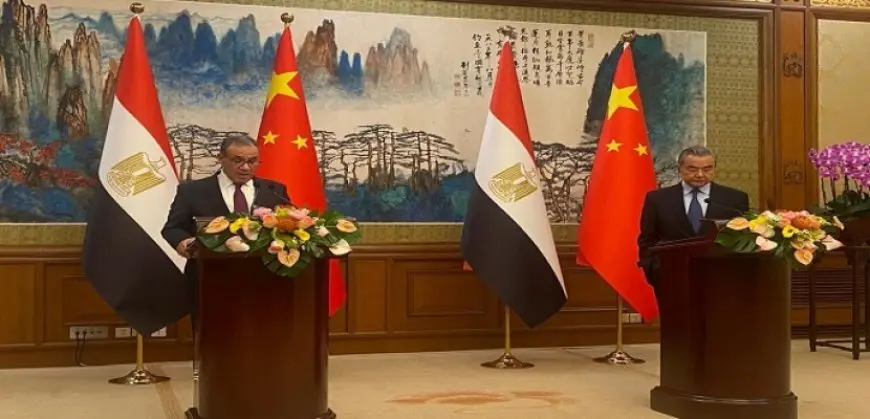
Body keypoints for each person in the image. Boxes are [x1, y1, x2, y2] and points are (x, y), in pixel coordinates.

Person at [161, 134, 291, 314]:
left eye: (252, 161)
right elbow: (173, 228)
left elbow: (289, 226)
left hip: (264, 281)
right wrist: (184, 243)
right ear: (221, 158)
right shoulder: (193, 191)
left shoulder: (274, 190)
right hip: (209, 281)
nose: (245, 167)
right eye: (237, 160)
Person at [637, 145, 749, 287]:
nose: (700, 174)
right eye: (692, 169)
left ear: (714, 169)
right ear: (680, 168)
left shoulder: (734, 199)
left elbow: (742, 240)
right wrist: (654, 271)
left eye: (707, 169)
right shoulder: (657, 199)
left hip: (721, 280)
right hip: (671, 278)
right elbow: (647, 240)